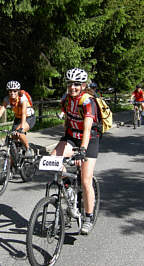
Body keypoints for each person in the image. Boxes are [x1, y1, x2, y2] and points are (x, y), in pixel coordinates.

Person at [51, 68, 100, 235]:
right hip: (71, 136)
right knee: (53, 160)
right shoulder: (65, 99)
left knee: (86, 181)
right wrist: (63, 142)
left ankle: (88, 216)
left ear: (83, 85)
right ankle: (69, 189)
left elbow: (87, 129)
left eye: (77, 84)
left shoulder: (88, 101)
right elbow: (67, 118)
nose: (73, 87)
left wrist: (82, 151)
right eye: (70, 83)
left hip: (90, 139)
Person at [0, 80, 36, 157]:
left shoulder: (22, 99)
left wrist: (21, 128)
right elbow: (1, 111)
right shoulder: (7, 99)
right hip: (18, 118)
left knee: (19, 133)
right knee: (13, 137)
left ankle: (28, 149)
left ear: (18, 91)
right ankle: (15, 160)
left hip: (28, 117)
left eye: (15, 91)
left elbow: (24, 113)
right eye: (10, 91)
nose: (12, 93)